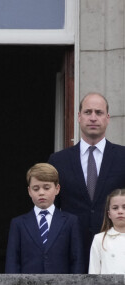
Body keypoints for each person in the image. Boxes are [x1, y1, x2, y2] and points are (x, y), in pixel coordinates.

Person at [48, 92, 125, 272]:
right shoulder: (58, 161)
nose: (93, 118)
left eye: (98, 113)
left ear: (107, 118)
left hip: (114, 252)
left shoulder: (123, 157)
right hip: (70, 252)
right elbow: (51, 211)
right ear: (78, 117)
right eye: (87, 112)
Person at [5, 163, 84, 274]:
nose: (41, 193)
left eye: (46, 188)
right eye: (36, 189)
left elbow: (77, 260)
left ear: (57, 189)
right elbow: (12, 262)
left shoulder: (70, 222)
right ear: (29, 191)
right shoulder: (18, 224)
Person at [89, 189, 125, 274]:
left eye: (124, 207)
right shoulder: (99, 239)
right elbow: (93, 273)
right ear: (109, 214)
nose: (120, 211)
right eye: (115, 208)